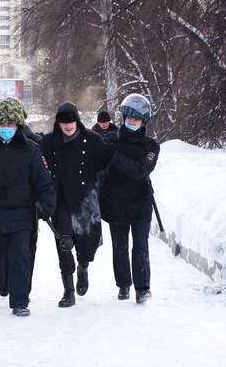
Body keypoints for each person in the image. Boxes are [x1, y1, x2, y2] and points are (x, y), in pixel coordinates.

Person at [0, 98, 56, 317]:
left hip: (22, 212)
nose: (6, 129)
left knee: (20, 256)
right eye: (2, 125)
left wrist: (46, 204)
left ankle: (20, 300)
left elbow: (43, 179)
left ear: (18, 126)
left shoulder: (31, 149)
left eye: (10, 125)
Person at [40, 102, 109, 307]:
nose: (68, 126)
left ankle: (84, 266)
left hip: (85, 199)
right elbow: (36, 161)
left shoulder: (92, 139)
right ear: (58, 123)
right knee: (64, 243)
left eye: (71, 122)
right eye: (64, 122)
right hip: (60, 199)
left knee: (86, 245)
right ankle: (68, 290)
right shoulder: (49, 141)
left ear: (77, 120)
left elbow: (106, 162)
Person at [100, 94, 160, 304]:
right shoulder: (110, 140)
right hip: (115, 202)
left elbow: (139, 170)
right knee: (120, 246)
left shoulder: (150, 146)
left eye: (136, 120)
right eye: (129, 118)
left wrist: (115, 158)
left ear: (144, 121)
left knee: (141, 246)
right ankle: (124, 284)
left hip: (140, 202)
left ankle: (142, 288)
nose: (131, 122)